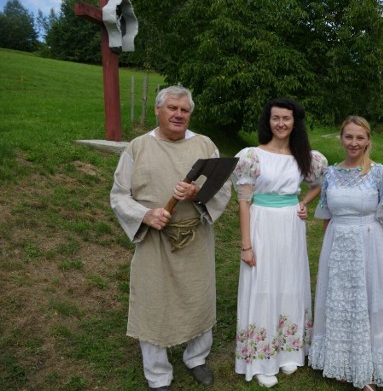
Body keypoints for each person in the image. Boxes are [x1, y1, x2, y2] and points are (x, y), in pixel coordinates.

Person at [110, 86, 232, 391]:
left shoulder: (205, 145)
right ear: (158, 110)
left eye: (185, 110)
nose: (179, 114)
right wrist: (145, 215)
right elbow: (119, 195)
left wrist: (197, 194)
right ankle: (158, 374)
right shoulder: (138, 147)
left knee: (198, 298)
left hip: (195, 237)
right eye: (172, 108)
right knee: (153, 303)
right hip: (155, 239)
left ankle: (196, 358)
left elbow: (223, 188)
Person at [232, 98, 327, 388]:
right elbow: (244, 202)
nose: (282, 123)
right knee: (263, 285)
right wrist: (246, 245)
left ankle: (289, 350)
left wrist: (304, 202)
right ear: (268, 121)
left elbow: (320, 184)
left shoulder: (307, 158)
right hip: (261, 222)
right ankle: (260, 358)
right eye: (276, 118)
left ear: (295, 122)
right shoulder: (252, 156)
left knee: (290, 283)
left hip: (290, 226)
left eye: (287, 118)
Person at [308, 116, 383, 391]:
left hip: (370, 244)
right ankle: (340, 361)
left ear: (368, 140)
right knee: (340, 301)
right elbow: (327, 215)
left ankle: (368, 370)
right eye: (349, 137)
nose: (354, 142)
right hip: (337, 245)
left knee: (367, 303)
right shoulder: (330, 174)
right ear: (341, 138)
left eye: (359, 137)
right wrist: (327, 254)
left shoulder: (381, 173)